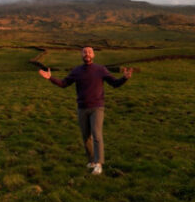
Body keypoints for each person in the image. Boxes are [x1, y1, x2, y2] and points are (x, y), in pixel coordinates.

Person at [39, 46, 133, 175]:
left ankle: (99, 164)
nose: (87, 54)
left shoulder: (100, 69)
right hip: (82, 107)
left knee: (96, 134)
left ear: (93, 55)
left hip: (97, 107)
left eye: (89, 52)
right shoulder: (76, 71)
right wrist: (50, 78)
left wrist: (124, 78)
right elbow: (64, 83)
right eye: (84, 52)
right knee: (86, 136)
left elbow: (114, 83)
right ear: (81, 55)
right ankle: (92, 161)